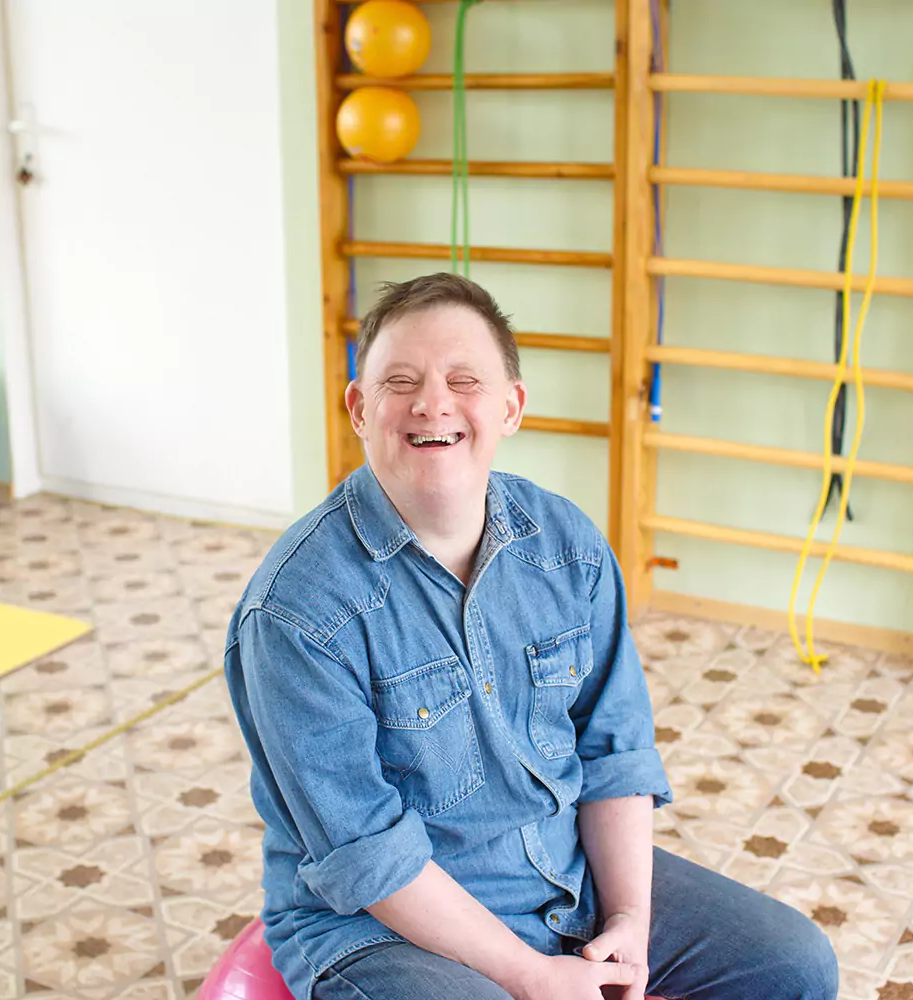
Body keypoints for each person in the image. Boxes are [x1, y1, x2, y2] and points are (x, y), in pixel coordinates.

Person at [222, 273, 838, 1000]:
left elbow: (613, 754)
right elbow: (369, 856)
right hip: (374, 926)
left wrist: (630, 922)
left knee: (795, 965)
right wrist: (534, 977)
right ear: (360, 408)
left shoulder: (566, 546)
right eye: (400, 381)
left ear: (511, 406)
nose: (432, 402)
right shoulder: (295, 611)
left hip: (556, 867)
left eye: (463, 379)